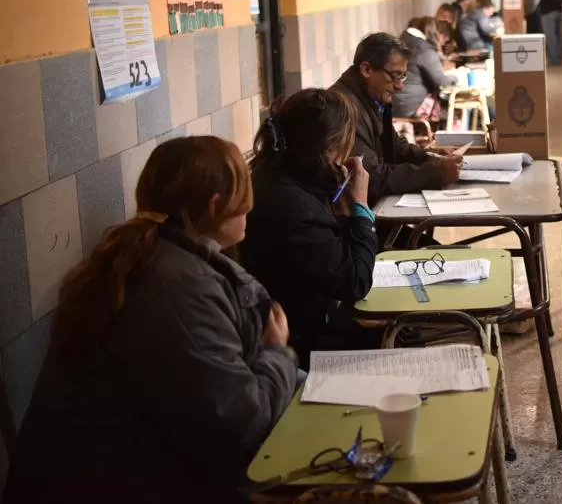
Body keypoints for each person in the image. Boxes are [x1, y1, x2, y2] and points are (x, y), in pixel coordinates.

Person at [4, 137, 297, 503]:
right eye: (245, 199)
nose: (249, 211)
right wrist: (276, 352)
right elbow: (240, 425)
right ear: (215, 206)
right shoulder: (181, 287)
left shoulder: (149, 259)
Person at [240, 88, 377, 368]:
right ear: (329, 148)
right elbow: (355, 282)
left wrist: (339, 201)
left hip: (304, 321)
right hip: (300, 345)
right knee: (402, 338)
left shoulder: (275, 171)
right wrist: (360, 208)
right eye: (346, 143)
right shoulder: (293, 205)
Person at [330, 33, 461, 207]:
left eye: (403, 76)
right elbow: (369, 176)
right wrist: (435, 173)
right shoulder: (342, 109)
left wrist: (432, 157)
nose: (400, 86)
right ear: (366, 69)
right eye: (395, 75)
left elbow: (394, 145)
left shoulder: (372, 98)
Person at [394, 17, 459, 121]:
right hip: (412, 105)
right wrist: (455, 77)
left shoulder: (403, 40)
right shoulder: (423, 49)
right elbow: (441, 81)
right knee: (455, 114)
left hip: (395, 103)